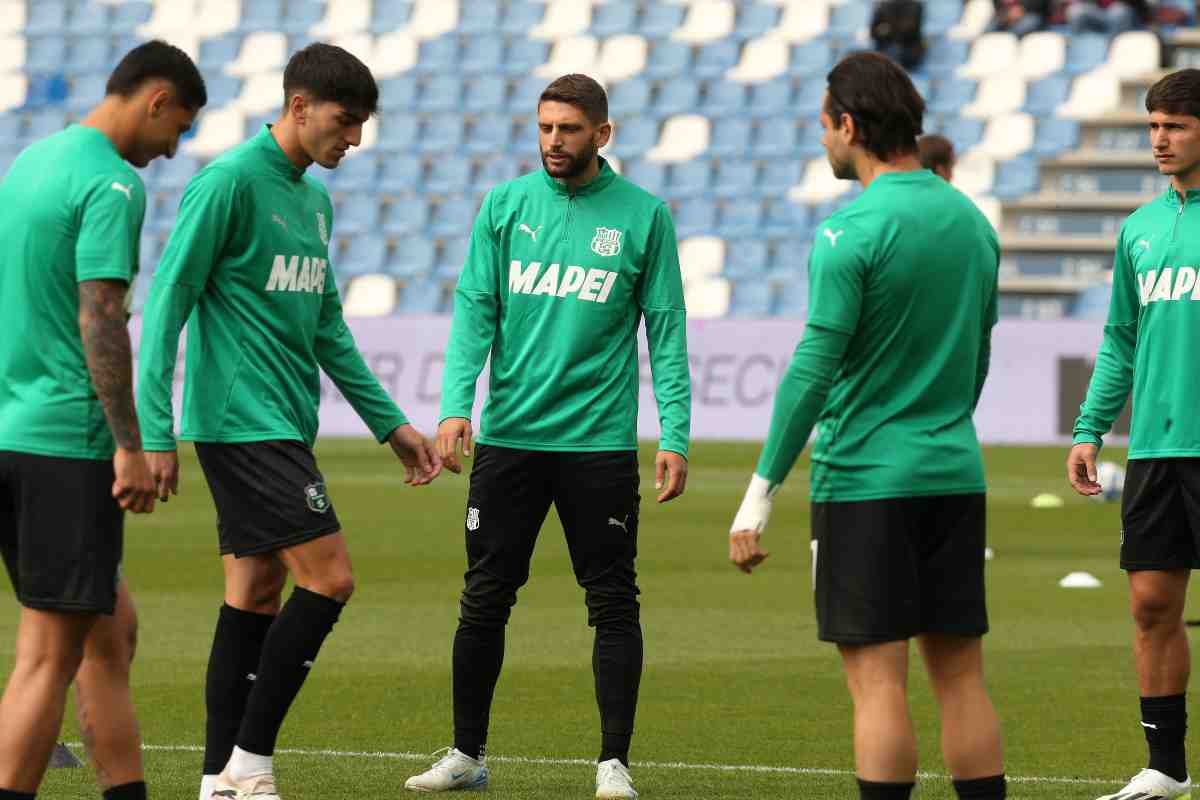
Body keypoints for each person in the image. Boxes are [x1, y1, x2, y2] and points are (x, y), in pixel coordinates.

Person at [135, 43, 442, 800]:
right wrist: (152, 430)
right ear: (298, 106)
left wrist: (390, 424)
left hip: (281, 421)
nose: (355, 140)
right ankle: (252, 763)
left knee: (254, 591)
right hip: (241, 423)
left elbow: (327, 324)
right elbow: (167, 303)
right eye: (345, 122)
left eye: (363, 125)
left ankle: (217, 780)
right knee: (330, 579)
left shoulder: (313, 199)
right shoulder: (229, 184)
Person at [404, 73, 691, 800]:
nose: (553, 142)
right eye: (544, 128)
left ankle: (612, 764)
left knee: (612, 599)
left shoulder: (643, 216)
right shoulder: (505, 205)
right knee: (485, 595)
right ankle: (467, 754)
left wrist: (676, 433)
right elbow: (475, 308)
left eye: (568, 129)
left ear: (603, 133)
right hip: (512, 441)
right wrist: (452, 404)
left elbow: (668, 332)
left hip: (597, 445)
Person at [728, 52, 1006, 800]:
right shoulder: (973, 225)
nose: (823, 145)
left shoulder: (849, 232)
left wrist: (760, 491)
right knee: (960, 676)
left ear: (849, 125)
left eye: (824, 128)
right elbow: (977, 358)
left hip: (864, 482)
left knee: (878, 683)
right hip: (953, 470)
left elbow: (813, 369)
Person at [0, 40, 206, 800]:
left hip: (13, 429)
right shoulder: (111, 185)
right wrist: (129, 443)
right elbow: (102, 317)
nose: (172, 149)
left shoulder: (30, 163)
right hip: (67, 440)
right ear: (156, 100)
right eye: (177, 129)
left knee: (108, 631)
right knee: (47, 656)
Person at [1068, 67, 1200, 800]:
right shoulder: (1140, 229)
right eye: (1153, 126)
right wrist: (1090, 430)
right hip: (1154, 447)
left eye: (1175, 126)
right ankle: (1167, 767)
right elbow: (1120, 339)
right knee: (1151, 605)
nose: (1160, 139)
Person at [1065, 0, 1149, 34]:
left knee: (1118, 11)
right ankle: (1081, 51)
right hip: (1099, 12)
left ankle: (1117, 51)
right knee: (1076, 11)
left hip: (1128, 13)